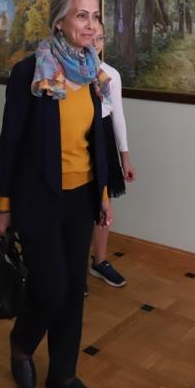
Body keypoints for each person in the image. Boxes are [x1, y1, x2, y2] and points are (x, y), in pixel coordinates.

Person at [0, 0, 113, 388]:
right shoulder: (31, 73)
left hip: (81, 196)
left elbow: (98, 140)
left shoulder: (94, 72)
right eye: (82, 15)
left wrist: (103, 194)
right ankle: (22, 343)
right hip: (37, 195)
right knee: (51, 287)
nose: (91, 24)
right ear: (59, 22)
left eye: (95, 16)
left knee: (74, 289)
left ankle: (63, 373)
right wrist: (3, 206)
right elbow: (10, 141)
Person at [89, 22, 136, 288]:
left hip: (103, 136)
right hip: (79, 137)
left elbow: (118, 115)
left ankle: (99, 261)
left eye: (100, 38)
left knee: (103, 201)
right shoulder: (66, 72)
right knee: (76, 204)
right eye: (91, 37)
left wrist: (124, 156)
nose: (95, 43)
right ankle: (71, 267)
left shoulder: (110, 75)